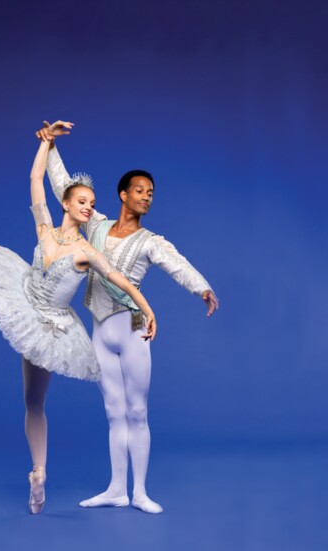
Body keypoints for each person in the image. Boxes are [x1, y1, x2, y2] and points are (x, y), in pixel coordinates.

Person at [0, 126, 156, 515]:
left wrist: (146, 308)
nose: (88, 207)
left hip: (50, 326)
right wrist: (45, 143)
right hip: (24, 297)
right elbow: (35, 178)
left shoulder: (85, 250)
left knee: (35, 401)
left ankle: (40, 473)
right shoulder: (45, 228)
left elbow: (118, 279)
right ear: (66, 204)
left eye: (92, 203)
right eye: (82, 201)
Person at [37, 121, 219, 514]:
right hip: (100, 330)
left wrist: (200, 287)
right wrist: (50, 146)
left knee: (137, 410)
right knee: (113, 411)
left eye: (151, 193)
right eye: (140, 190)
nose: (146, 197)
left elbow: (177, 264)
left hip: (134, 329)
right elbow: (64, 188)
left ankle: (140, 492)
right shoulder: (96, 224)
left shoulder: (151, 241)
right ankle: (116, 489)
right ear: (123, 194)